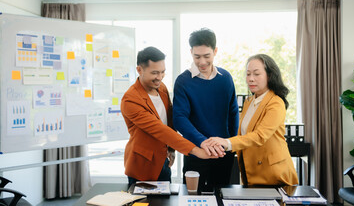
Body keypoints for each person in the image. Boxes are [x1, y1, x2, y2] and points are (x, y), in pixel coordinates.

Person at [121, 46, 221, 186]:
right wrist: (196, 151)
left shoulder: (161, 88)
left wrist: (171, 149)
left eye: (163, 72)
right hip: (143, 165)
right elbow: (159, 129)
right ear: (139, 70)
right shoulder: (130, 99)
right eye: (155, 73)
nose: (159, 77)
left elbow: (169, 120)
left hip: (163, 160)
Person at [205, 54, 299, 186]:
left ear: (269, 76)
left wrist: (226, 142)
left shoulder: (276, 103)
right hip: (251, 172)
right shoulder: (249, 101)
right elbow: (243, 133)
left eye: (256, 74)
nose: (251, 79)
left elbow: (260, 136)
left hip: (274, 174)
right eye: (248, 74)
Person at [173, 28, 239, 190]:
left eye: (206, 56)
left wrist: (231, 143)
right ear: (191, 52)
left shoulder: (226, 78)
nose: (202, 62)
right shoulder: (183, 81)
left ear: (215, 51)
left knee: (222, 196)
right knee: (193, 198)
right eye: (197, 56)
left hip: (223, 153)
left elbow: (233, 112)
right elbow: (180, 118)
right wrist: (203, 142)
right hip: (196, 152)